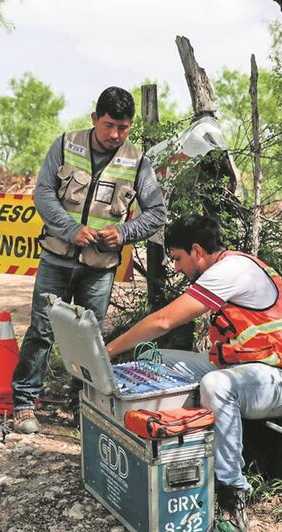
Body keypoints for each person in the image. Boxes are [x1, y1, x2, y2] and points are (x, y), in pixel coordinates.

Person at [105, 213, 282, 532]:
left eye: (177, 258)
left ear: (197, 251)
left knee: (217, 385)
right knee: (154, 358)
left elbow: (164, 320)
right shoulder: (227, 268)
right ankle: (159, 455)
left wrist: (108, 349)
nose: (176, 268)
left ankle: (232, 497)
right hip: (246, 370)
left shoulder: (231, 270)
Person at [11, 86, 167, 434]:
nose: (115, 135)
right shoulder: (66, 144)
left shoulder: (138, 161)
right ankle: (24, 403)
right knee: (41, 330)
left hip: (99, 268)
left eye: (123, 128)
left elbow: (157, 212)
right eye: (109, 125)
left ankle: (81, 406)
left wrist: (123, 233)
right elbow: (43, 193)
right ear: (95, 118)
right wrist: (70, 230)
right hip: (57, 258)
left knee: (88, 338)